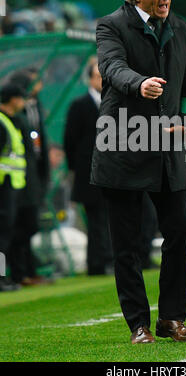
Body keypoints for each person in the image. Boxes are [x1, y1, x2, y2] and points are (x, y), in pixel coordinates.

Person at [91, 0, 186, 344]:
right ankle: (138, 324)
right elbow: (112, 68)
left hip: (168, 139)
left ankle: (171, 319)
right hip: (123, 139)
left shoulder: (181, 28)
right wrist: (140, 84)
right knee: (128, 242)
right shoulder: (110, 26)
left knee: (181, 228)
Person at [64, 56, 113, 275]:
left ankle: (108, 259)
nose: (102, 81)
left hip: (112, 171)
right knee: (95, 220)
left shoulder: (114, 103)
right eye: (98, 77)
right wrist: (77, 168)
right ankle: (97, 263)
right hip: (89, 173)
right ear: (90, 79)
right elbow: (70, 140)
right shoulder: (79, 105)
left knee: (111, 219)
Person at [8, 69, 50, 286]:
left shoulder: (26, 114)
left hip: (17, 184)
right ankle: (11, 275)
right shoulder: (8, 122)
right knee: (7, 235)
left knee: (21, 230)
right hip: (10, 187)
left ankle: (21, 273)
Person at [0, 84, 26, 291]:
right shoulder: (2, 123)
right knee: (2, 234)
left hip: (10, 184)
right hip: (4, 185)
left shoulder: (7, 122)